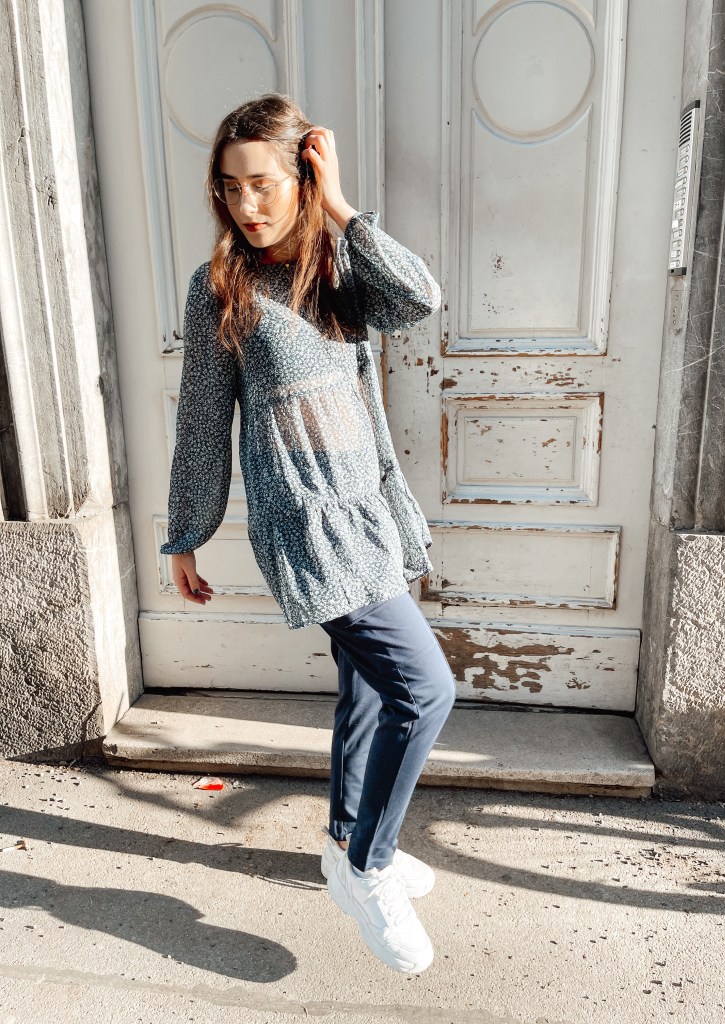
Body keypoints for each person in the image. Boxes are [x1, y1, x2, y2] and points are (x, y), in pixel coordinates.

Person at [159, 93, 456, 974]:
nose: (246, 204)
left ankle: (344, 841)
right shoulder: (218, 286)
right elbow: (202, 421)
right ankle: (369, 868)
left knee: (367, 689)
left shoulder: (337, 266)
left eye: (264, 183)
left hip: (370, 507)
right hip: (308, 522)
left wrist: (344, 208)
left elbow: (419, 299)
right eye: (231, 186)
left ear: (303, 177)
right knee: (424, 690)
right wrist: (186, 533)